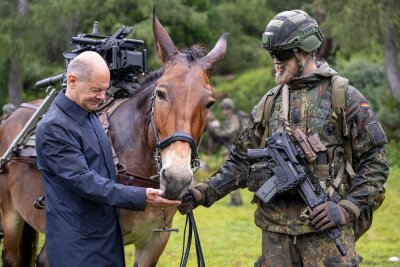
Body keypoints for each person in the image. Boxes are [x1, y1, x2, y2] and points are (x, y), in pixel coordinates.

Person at [178, 10, 389, 266]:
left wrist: (346, 208)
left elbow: (376, 161)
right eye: (272, 54)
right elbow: (240, 161)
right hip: (275, 235)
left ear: (305, 51)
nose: (276, 61)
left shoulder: (343, 96)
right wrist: (203, 193)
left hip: (324, 232)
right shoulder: (269, 103)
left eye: (283, 54)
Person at [36, 51, 180, 267]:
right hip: (77, 247)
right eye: (96, 90)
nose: (102, 97)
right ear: (72, 81)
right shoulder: (54, 127)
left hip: (104, 239)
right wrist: (141, 196)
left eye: (104, 90)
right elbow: (85, 182)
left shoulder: (88, 114)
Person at [207, 98, 243, 206]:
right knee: (231, 174)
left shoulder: (233, 119)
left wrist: (218, 132)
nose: (224, 111)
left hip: (230, 150)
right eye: (223, 109)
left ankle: (235, 200)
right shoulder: (228, 119)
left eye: (225, 109)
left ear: (229, 109)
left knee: (229, 174)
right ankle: (237, 200)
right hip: (228, 149)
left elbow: (231, 131)